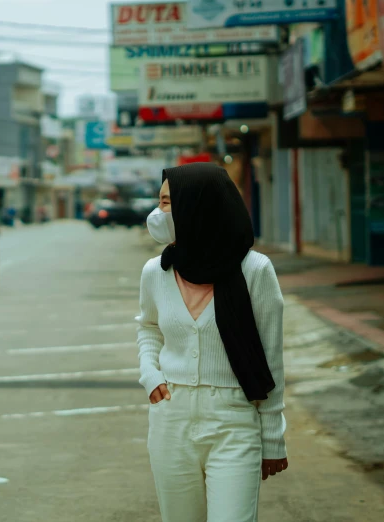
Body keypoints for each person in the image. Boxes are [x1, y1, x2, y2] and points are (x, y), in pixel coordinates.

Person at [137, 163, 288, 522]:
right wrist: (150, 373)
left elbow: (271, 357)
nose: (159, 213)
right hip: (171, 420)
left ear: (198, 205)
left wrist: (273, 437)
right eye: (159, 202)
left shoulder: (254, 269)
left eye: (168, 203)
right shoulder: (155, 271)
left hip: (234, 421)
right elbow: (149, 327)